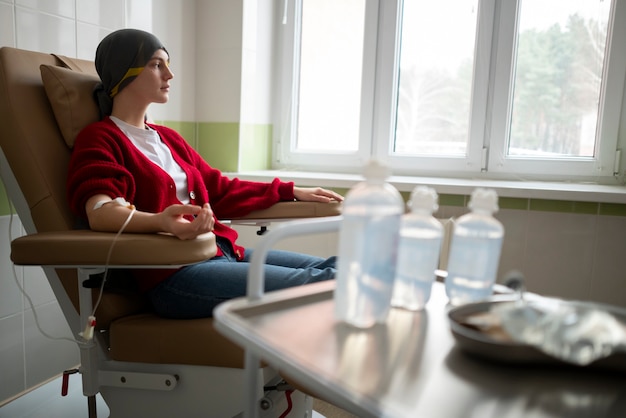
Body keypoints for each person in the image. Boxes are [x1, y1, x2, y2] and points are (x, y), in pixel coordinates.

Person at [66, 29, 343, 319]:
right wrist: (161, 221)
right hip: (176, 277)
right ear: (123, 73)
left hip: (221, 252)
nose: (169, 75)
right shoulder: (100, 138)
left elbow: (218, 188)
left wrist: (289, 191)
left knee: (337, 268)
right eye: (157, 65)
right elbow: (100, 211)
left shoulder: (167, 138)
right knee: (326, 284)